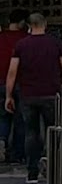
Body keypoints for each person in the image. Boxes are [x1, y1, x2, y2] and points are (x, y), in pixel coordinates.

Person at [4, 13, 62, 184]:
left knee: (31, 132)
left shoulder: (21, 45)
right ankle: (52, 163)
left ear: (29, 25)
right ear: (45, 24)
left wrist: (9, 95)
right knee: (54, 130)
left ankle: (32, 171)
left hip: (28, 94)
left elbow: (12, 72)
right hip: (51, 93)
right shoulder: (55, 43)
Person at [0, 11, 26, 166]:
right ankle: (17, 154)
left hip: (0, 82)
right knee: (20, 120)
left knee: (2, 117)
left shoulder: (1, 38)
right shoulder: (24, 40)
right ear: (23, 23)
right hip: (20, 84)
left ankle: (2, 140)